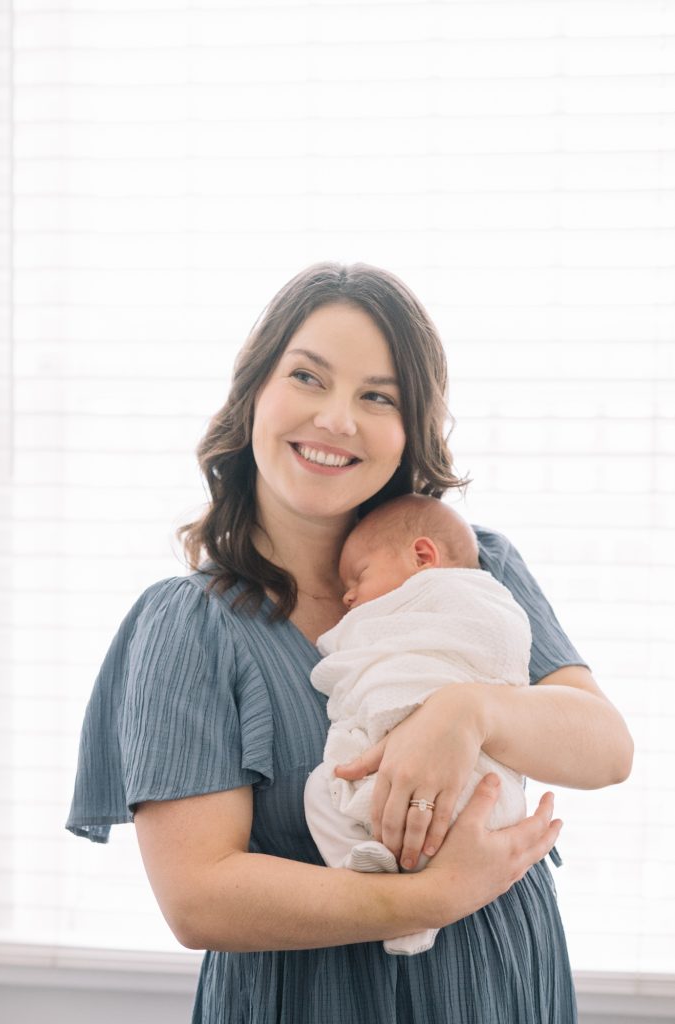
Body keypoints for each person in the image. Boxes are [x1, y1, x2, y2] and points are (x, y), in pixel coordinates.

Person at [65, 262, 633, 1024]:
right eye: (308, 377)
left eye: (377, 396)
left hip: (501, 985)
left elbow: (605, 749)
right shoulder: (190, 625)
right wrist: (429, 897)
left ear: (408, 431)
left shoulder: (472, 568)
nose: (337, 419)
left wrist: (468, 713)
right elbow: (198, 898)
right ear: (253, 395)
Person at [304, 494, 533, 957]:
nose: (348, 597)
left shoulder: (476, 598)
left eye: (360, 576)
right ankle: (386, 886)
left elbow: (500, 651)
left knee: (321, 789)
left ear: (423, 557)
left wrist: (458, 707)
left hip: (480, 782)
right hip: (465, 807)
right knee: (322, 787)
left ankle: (372, 871)